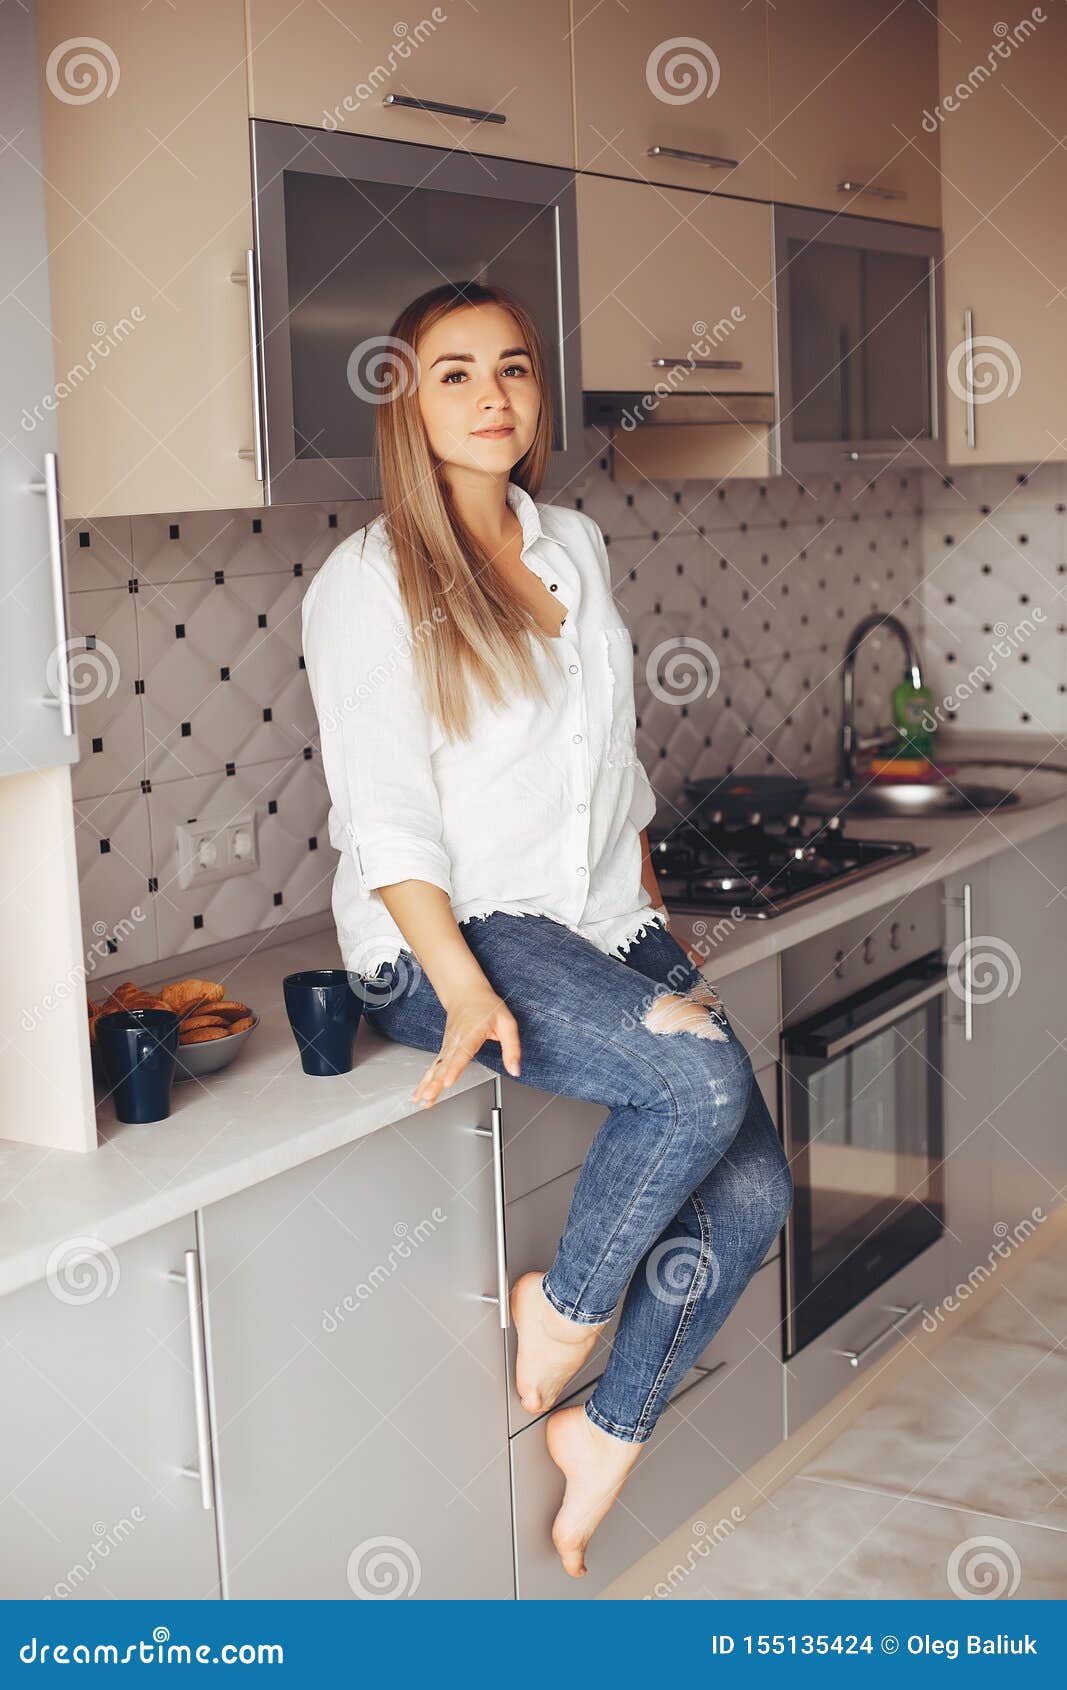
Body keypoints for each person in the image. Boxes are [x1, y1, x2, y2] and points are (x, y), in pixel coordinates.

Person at [300, 279, 793, 1580]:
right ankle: (562, 1310)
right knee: (697, 1077)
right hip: (444, 937)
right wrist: (459, 988)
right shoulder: (367, 580)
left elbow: (607, 757)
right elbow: (389, 815)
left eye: (513, 368)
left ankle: (605, 1427)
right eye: (454, 371)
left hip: (596, 920)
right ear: (407, 399)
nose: (492, 395)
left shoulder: (572, 543)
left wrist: (650, 926)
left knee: (754, 1192)